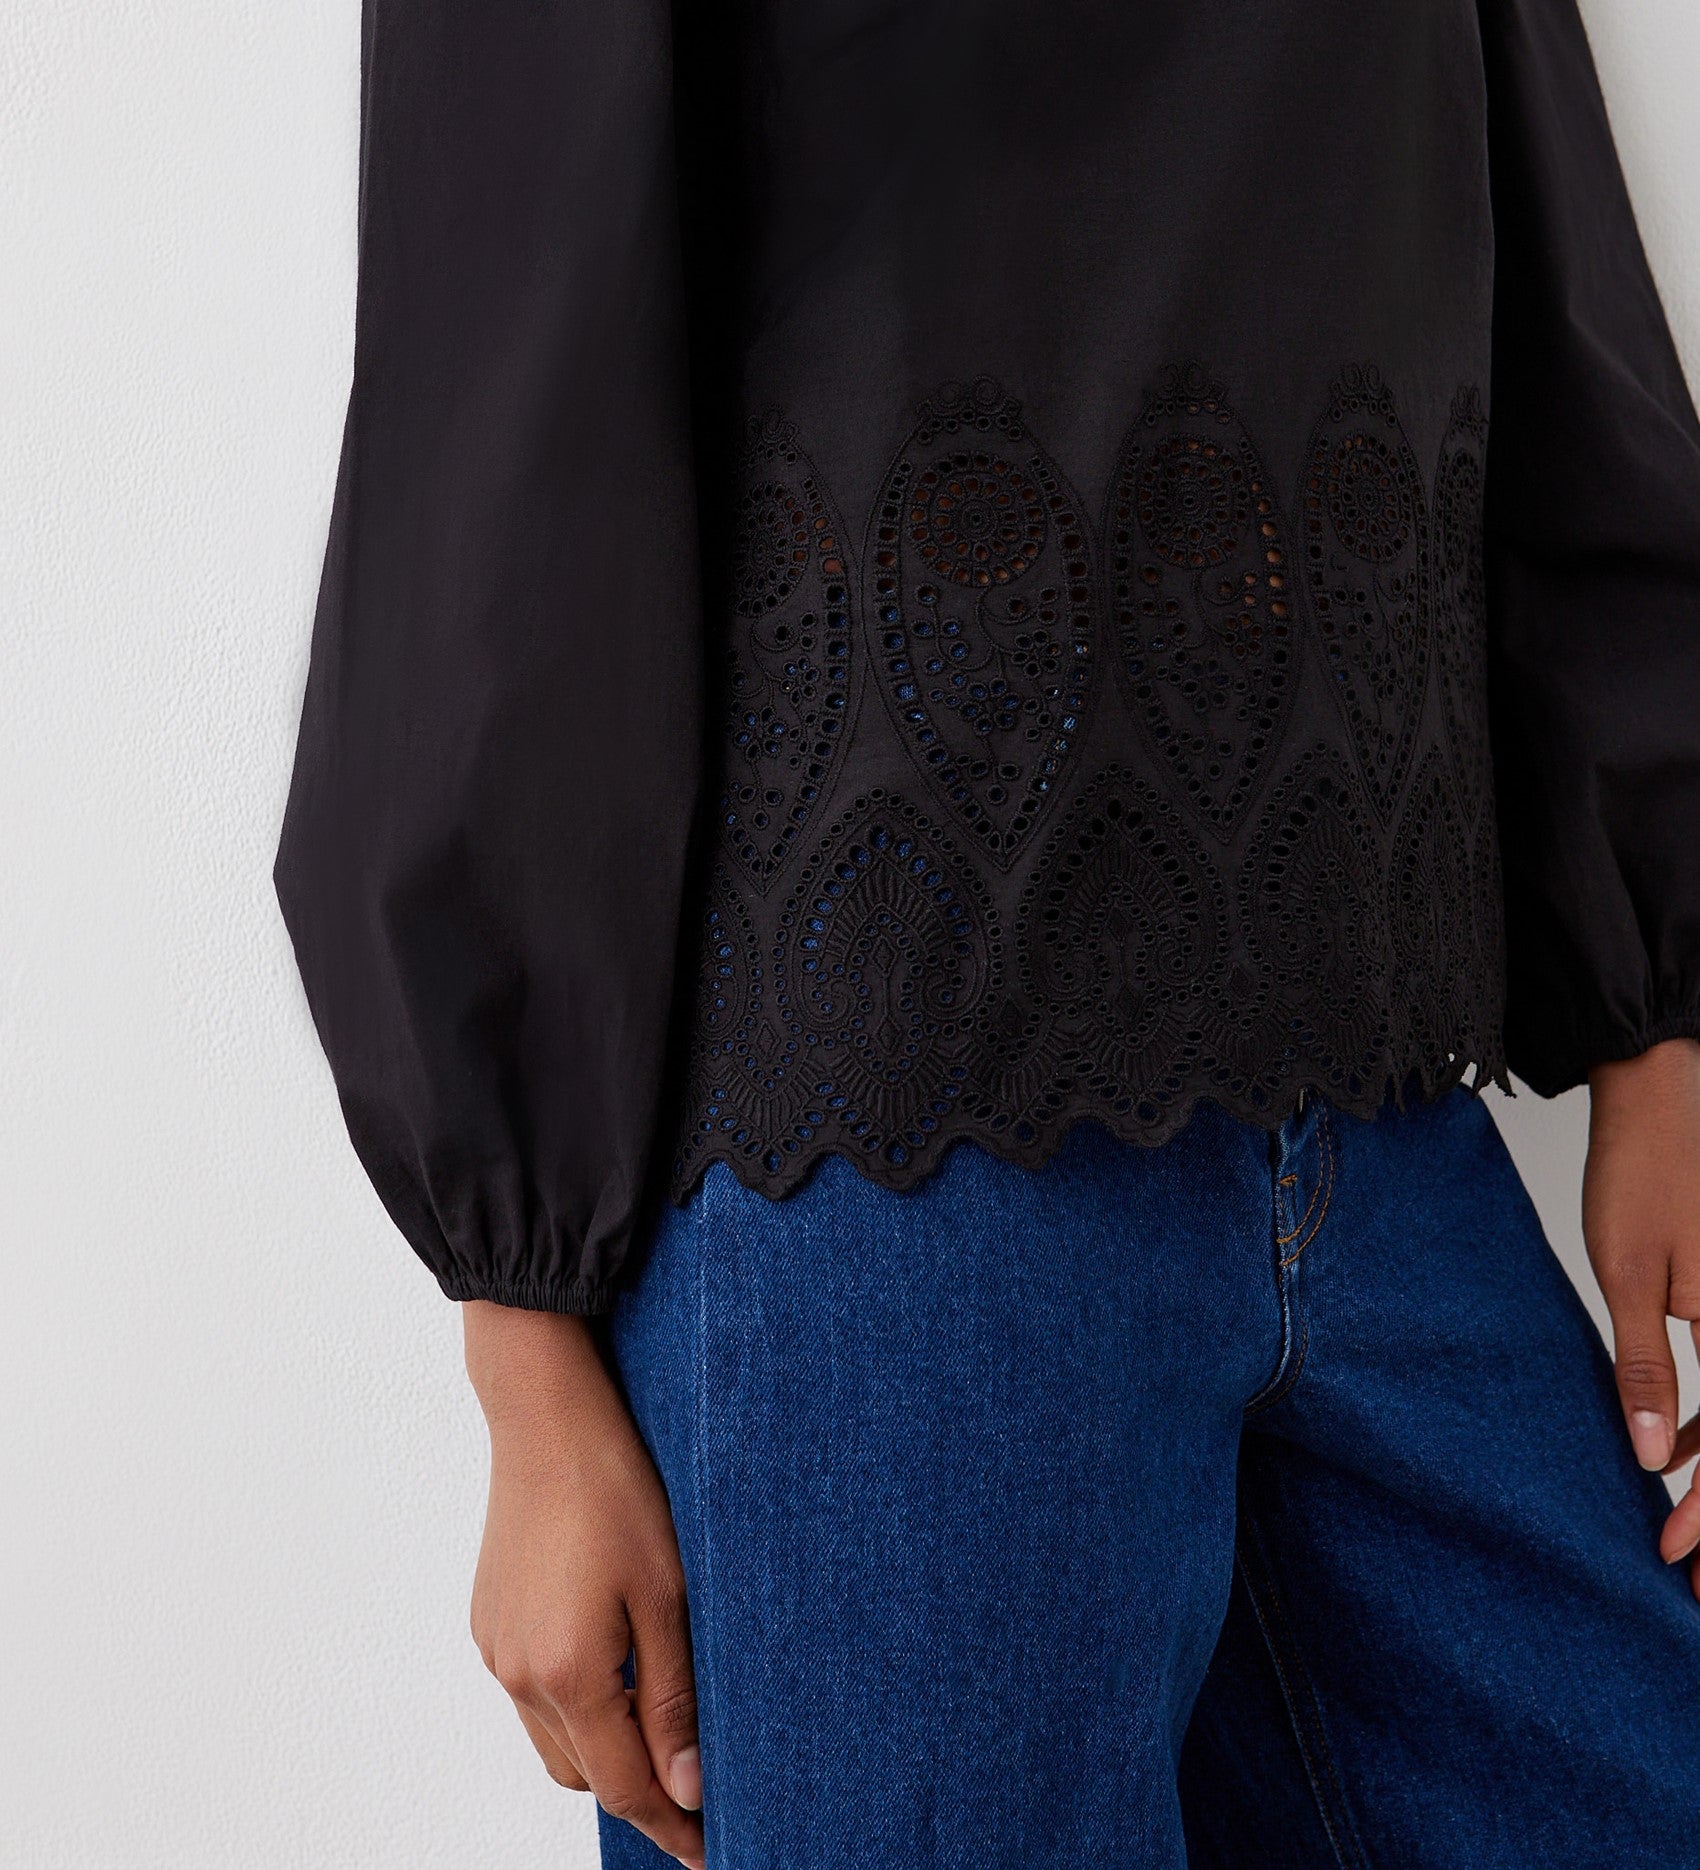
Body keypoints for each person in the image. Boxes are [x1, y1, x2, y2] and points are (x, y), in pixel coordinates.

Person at [274, 0, 1700, 1862]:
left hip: (1375, 1104)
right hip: (885, 1169)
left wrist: (1655, 1009)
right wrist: (521, 1329)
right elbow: (508, 371)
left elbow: (1534, 197)